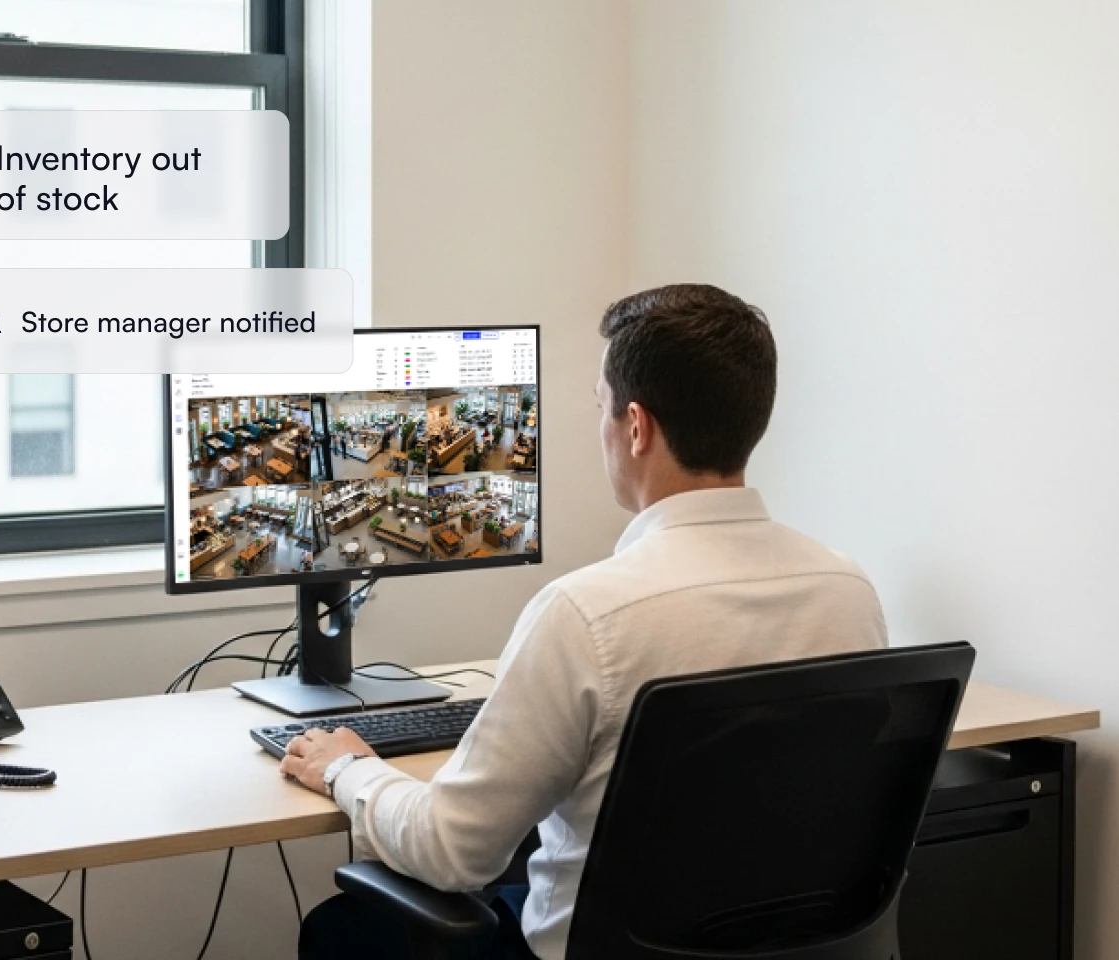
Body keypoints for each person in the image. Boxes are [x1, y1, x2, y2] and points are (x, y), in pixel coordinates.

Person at [284, 284, 888, 960]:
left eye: (599, 408)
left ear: (636, 426)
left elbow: (451, 852)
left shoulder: (586, 615)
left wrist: (349, 770)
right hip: (779, 946)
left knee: (341, 928)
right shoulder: (847, 591)